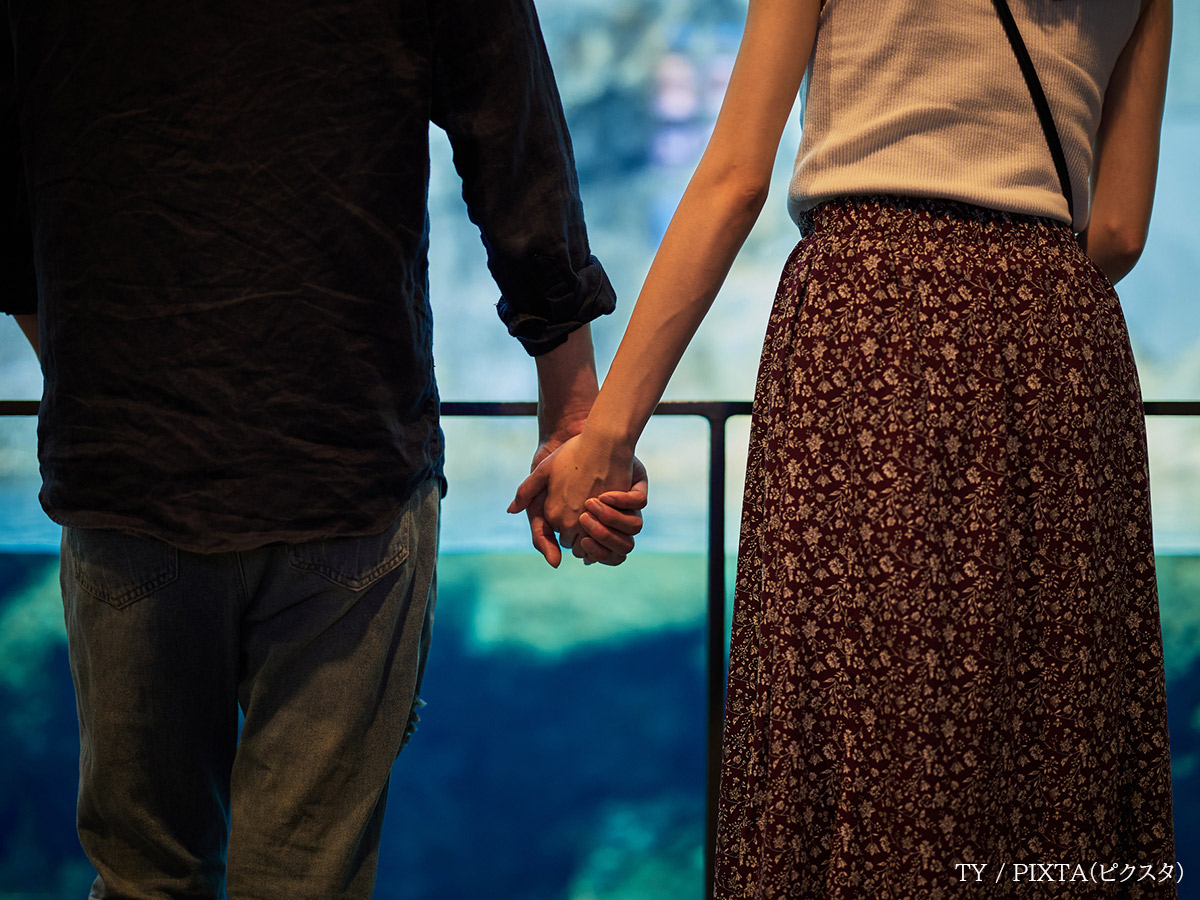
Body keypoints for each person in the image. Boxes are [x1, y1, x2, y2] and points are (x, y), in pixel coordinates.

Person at [513, 0, 1176, 895]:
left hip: (872, 328)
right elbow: (1120, 230)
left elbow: (737, 177)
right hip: (1059, 344)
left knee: (862, 725)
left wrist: (609, 432)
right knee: (1055, 732)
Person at [0, 0, 645, 896]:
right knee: (307, 882)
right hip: (347, 460)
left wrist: (98, 372)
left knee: (148, 879)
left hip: (127, 463)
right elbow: (513, 135)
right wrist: (574, 408)